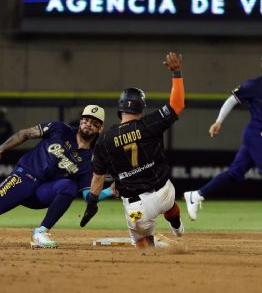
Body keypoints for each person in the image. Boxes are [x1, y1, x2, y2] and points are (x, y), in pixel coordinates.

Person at [80, 52, 185, 248]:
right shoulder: (149, 124)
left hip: (139, 207)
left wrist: (92, 203)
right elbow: (177, 104)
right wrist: (176, 73)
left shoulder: (104, 140)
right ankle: (178, 228)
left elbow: (97, 178)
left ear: (120, 109)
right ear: (141, 108)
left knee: (141, 244)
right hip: (165, 191)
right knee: (169, 203)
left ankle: (158, 244)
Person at [0, 105, 113, 248]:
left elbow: (88, 195)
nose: (89, 124)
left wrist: (111, 191)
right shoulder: (60, 129)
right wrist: (1, 148)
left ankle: (41, 232)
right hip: (23, 179)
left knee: (69, 186)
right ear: (80, 121)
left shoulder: (89, 159)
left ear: (100, 128)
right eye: (86, 120)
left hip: (42, 194)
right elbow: (25, 134)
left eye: (94, 123)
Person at [184, 75, 262, 220]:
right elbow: (232, 99)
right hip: (256, 134)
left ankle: (196, 195)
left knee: (235, 173)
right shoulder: (254, 85)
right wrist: (218, 121)